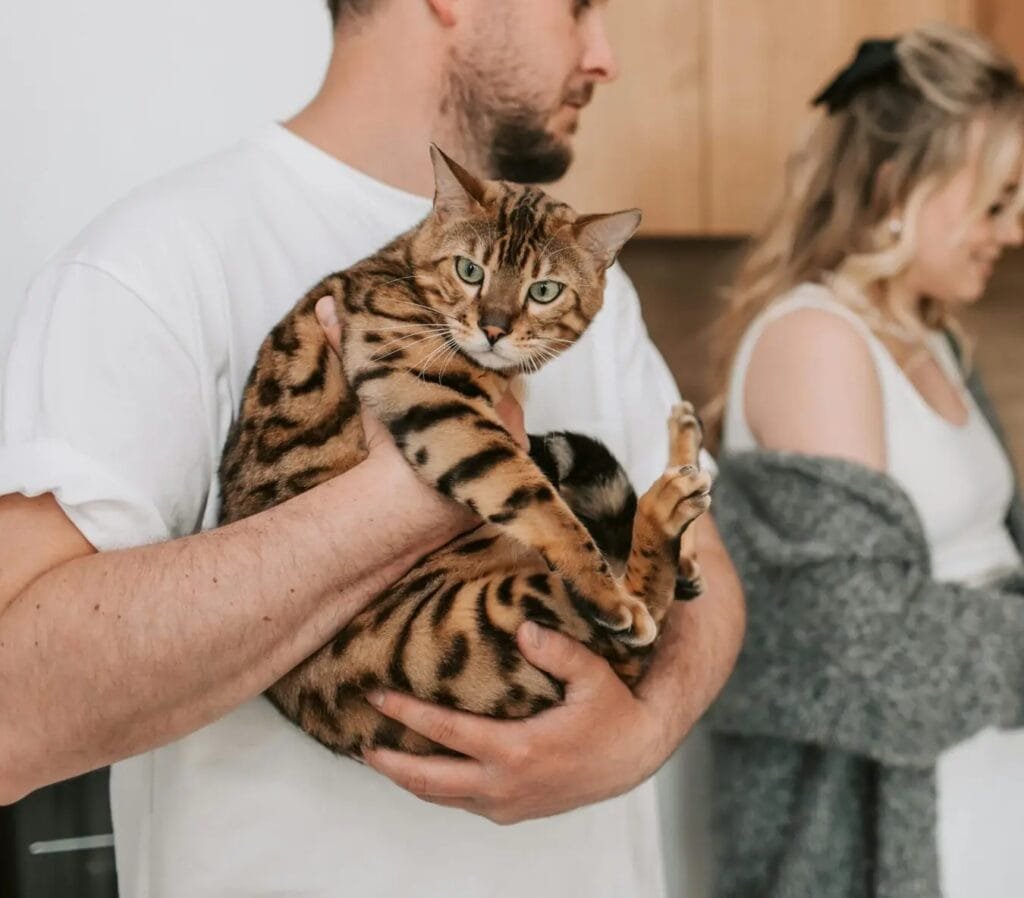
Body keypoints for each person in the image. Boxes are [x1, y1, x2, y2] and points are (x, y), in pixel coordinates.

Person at [0, 2, 745, 896]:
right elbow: (12, 717)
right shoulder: (151, 264)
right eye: (578, 8)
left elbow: (708, 568)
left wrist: (646, 735)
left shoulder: (582, 282)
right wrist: (407, 496)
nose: (607, 57)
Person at [703, 23, 1024, 898]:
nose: (1012, 227)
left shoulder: (931, 336)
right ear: (897, 185)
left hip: (979, 779)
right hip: (886, 816)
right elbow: (867, 640)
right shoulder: (816, 341)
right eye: (993, 200)